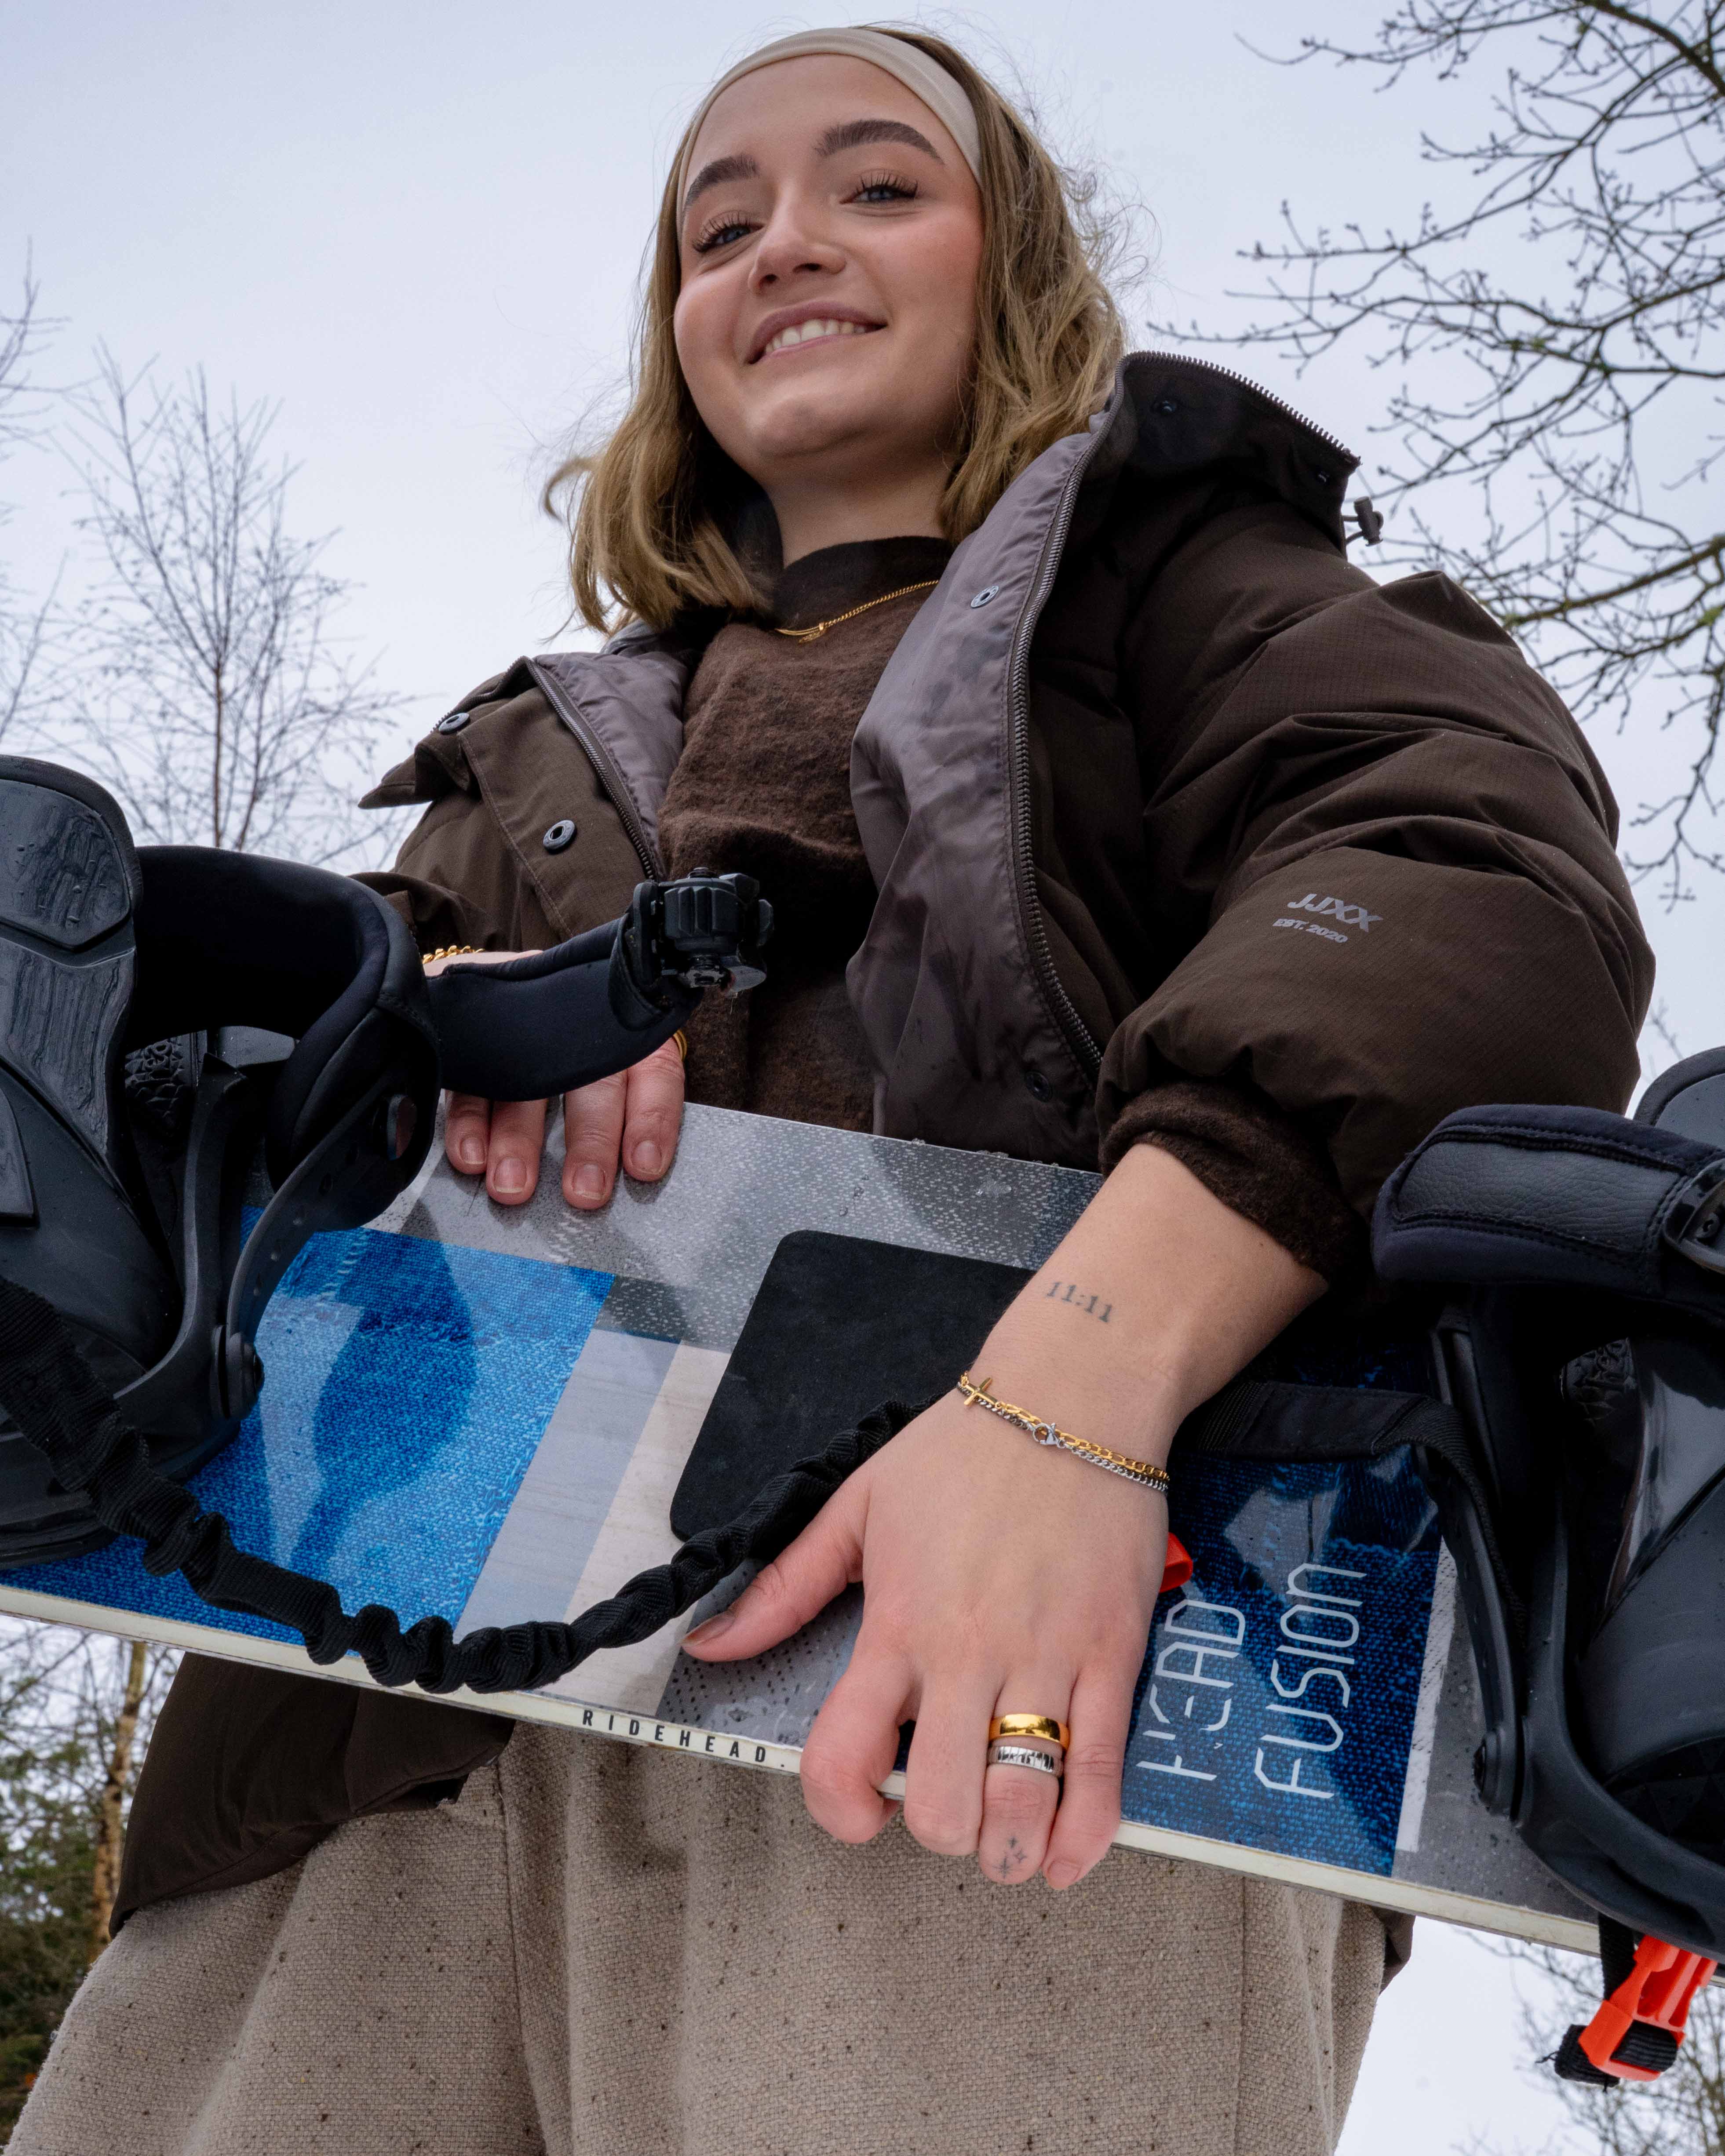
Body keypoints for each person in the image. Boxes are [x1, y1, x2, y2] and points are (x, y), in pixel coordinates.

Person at [13, 25, 1651, 2156]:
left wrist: (1074, 1389)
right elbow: (197, 1130)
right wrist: (419, 1015)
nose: (786, 243)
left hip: (998, 1713)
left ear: (1016, 266)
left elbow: (1466, 887)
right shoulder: (523, 761)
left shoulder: (1202, 597)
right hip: (357, 1764)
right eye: (721, 227)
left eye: (879, 186)